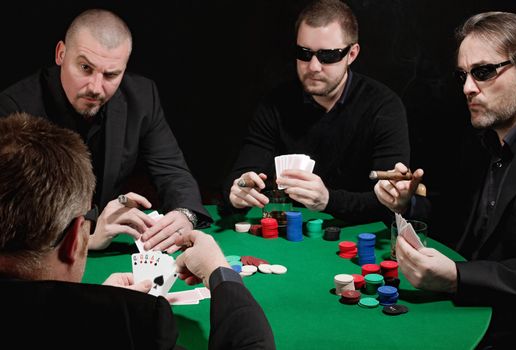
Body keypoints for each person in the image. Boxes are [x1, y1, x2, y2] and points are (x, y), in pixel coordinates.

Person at [0, 112, 275, 349]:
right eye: (89, 217)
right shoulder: (139, 321)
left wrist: (94, 304)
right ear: (74, 239)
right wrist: (219, 271)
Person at [0, 8, 211, 253]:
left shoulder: (142, 97)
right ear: (61, 54)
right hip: (41, 258)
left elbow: (173, 171)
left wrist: (185, 215)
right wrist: (86, 236)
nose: (96, 88)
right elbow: (13, 214)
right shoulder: (14, 108)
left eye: (111, 74)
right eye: (85, 68)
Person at [374, 12, 516, 349]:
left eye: (484, 72)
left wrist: (458, 278)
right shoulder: (482, 142)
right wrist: (407, 203)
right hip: (459, 317)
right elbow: (461, 219)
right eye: (463, 75)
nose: (469, 88)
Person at [223, 0, 411, 225]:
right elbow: (235, 182)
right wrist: (238, 192)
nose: (313, 66)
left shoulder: (383, 106)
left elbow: (390, 204)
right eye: (304, 53)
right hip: (289, 239)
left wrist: (329, 200)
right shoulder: (276, 103)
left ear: (352, 54)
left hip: (358, 237)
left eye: (328, 56)